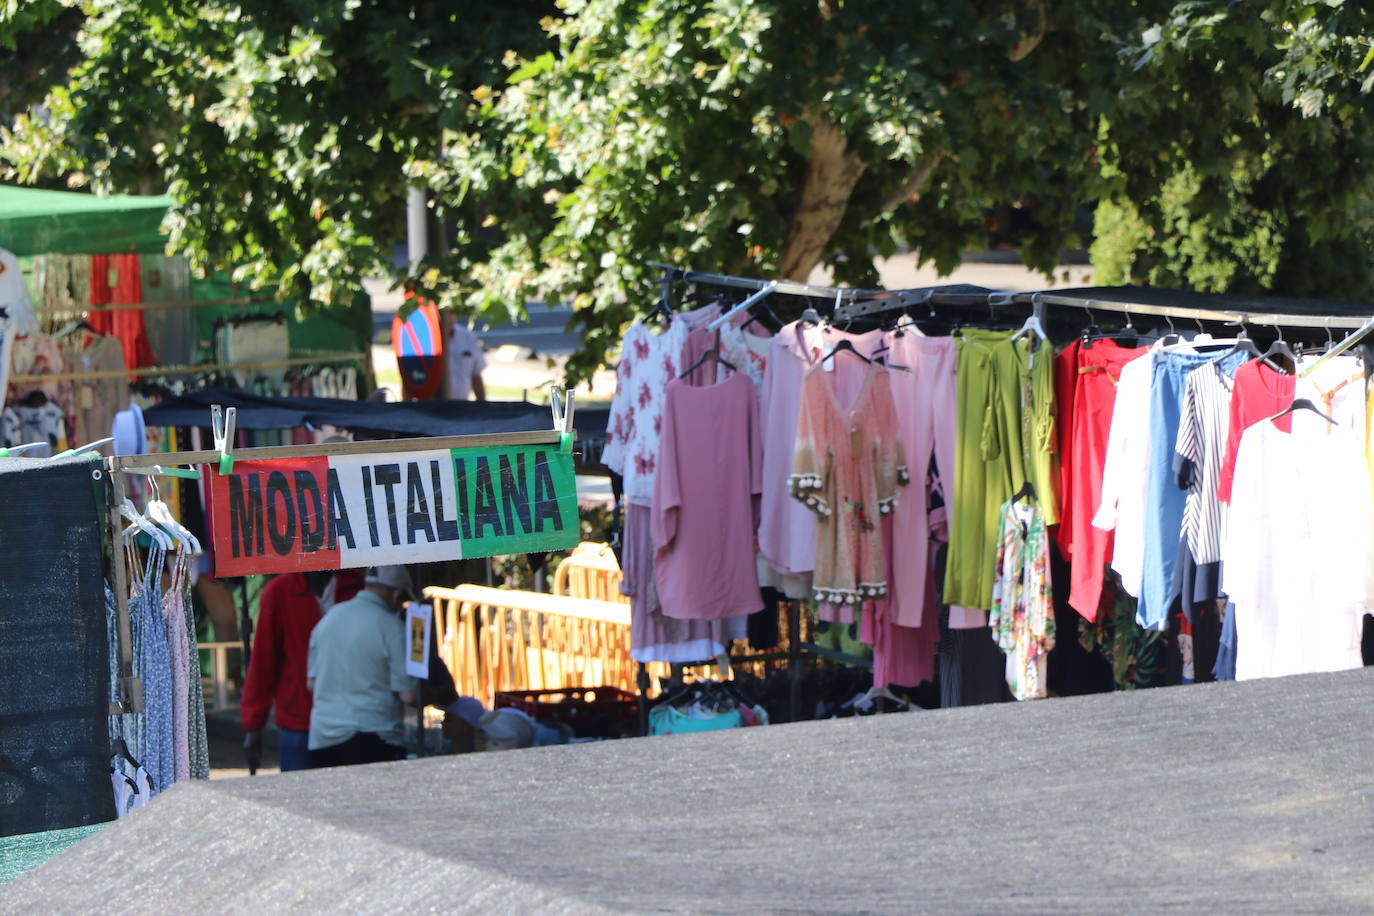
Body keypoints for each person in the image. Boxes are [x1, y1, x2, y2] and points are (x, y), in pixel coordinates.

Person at [240, 570, 364, 772]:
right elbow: (263, 660)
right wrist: (253, 724)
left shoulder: (356, 585)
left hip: (351, 718)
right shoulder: (280, 591)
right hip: (299, 718)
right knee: (298, 796)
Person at [306, 565, 419, 768]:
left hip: (323, 737)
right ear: (397, 594)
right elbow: (408, 695)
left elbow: (311, 683)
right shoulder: (392, 628)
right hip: (375, 737)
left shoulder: (328, 620)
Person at [445, 312, 487, 401]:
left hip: (461, 405)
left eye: (452, 312)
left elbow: (476, 376)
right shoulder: (425, 338)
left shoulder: (468, 337)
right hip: (431, 408)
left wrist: (482, 405)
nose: (450, 318)